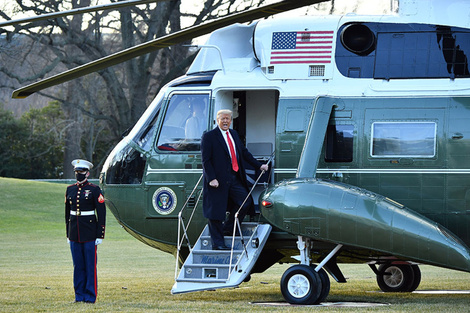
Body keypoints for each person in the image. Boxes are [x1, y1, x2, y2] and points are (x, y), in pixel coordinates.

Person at [201, 109, 269, 250]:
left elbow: (244, 153)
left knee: (245, 202)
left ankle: (228, 227)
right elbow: (206, 161)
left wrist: (259, 165)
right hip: (217, 181)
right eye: (223, 119)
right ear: (217, 120)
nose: (225, 121)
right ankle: (218, 244)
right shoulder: (209, 136)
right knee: (216, 212)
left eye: (228, 119)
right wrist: (211, 178)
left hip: (234, 177)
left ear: (231, 120)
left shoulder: (234, 134)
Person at [65, 159, 106, 303]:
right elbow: (67, 214)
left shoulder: (94, 190)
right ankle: (79, 295)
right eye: (77, 172)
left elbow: (101, 213)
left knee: (90, 266)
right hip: (74, 232)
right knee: (78, 266)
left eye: (81, 172)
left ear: (87, 173)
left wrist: (100, 234)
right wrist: (68, 233)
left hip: (90, 233)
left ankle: (90, 296)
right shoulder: (70, 189)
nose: (79, 175)